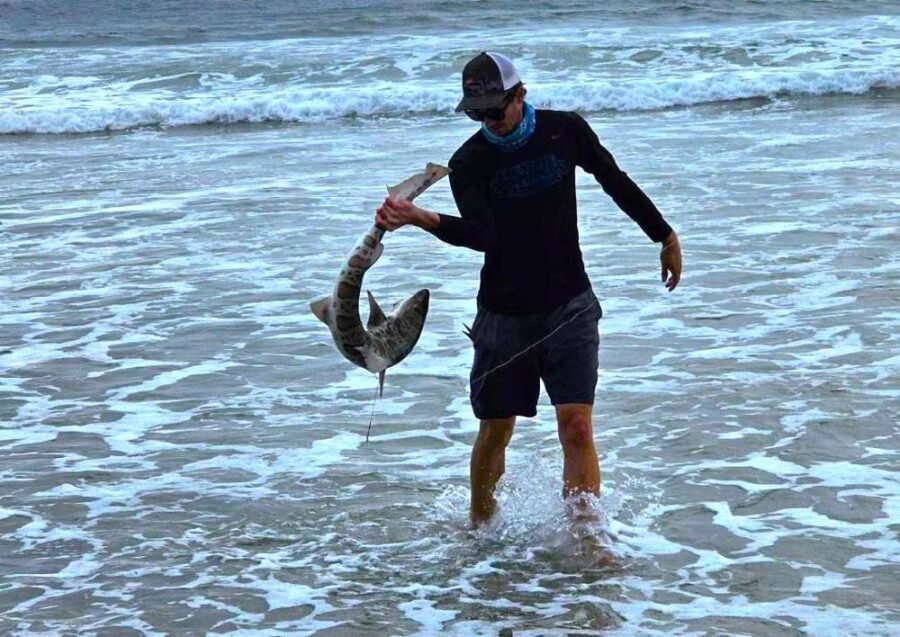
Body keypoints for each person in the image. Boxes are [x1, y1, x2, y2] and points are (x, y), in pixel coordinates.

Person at [376, 51, 682, 527]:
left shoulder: (564, 131)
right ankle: (480, 529)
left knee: (577, 427)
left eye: (497, 109)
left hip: (570, 305)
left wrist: (663, 235)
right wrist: (421, 218)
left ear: (521, 95)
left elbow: (613, 180)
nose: (489, 122)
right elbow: (486, 237)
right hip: (503, 315)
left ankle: (586, 537)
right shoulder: (469, 162)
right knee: (496, 430)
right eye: (477, 114)